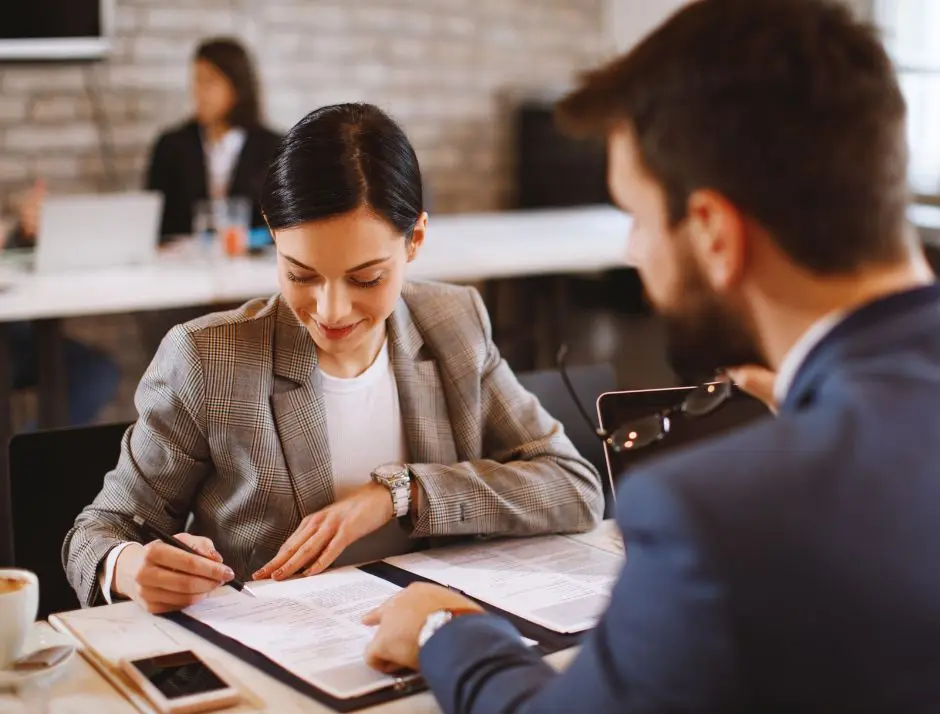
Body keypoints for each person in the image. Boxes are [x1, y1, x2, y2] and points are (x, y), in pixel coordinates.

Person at [362, 1, 940, 714]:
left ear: (713, 234)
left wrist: (444, 631)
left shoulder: (720, 514)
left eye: (635, 218)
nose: (634, 251)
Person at [63, 102, 604, 612]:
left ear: (415, 239)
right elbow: (98, 533)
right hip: (274, 647)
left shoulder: (453, 323)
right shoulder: (209, 359)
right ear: (272, 234)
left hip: (426, 636)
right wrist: (128, 567)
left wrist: (402, 493)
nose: (331, 310)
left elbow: (574, 487)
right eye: (300, 275)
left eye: (366, 278)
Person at [2, 181, 120, 428]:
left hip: (12, 336)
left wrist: (24, 235)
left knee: (96, 372)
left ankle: (30, 451)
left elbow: (9, 261)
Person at [145, 37, 281, 241]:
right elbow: (155, 222)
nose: (198, 92)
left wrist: (247, 240)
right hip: (185, 257)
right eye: (196, 81)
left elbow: (285, 225)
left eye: (210, 81)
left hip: (252, 257)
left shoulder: (274, 147)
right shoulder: (171, 146)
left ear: (237, 87)